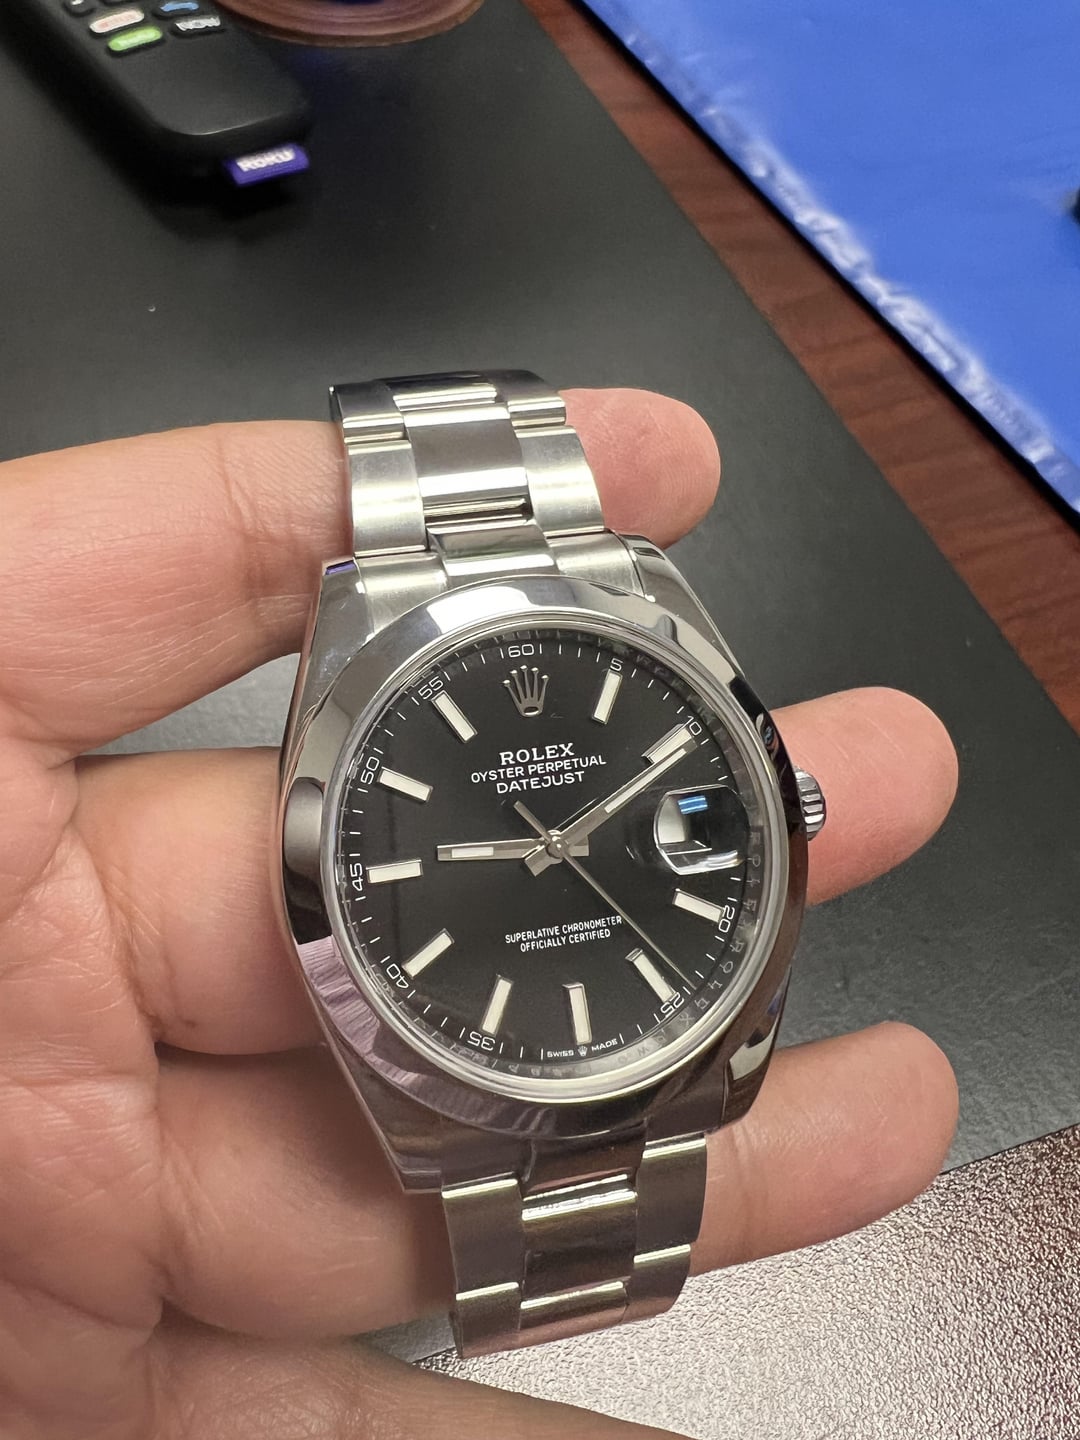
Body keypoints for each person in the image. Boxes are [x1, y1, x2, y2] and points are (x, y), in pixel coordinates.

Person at [0, 387, 958, 1438]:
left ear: (791, 804)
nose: (554, 851)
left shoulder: (643, 614)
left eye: (559, 846)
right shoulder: (395, 635)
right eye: (545, 849)